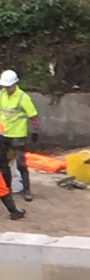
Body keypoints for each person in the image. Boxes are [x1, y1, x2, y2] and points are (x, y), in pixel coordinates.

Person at [0, 69, 39, 202]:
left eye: (8, 86)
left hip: (18, 135)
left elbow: (33, 116)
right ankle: (7, 189)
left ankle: (26, 190)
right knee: (3, 163)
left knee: (21, 163)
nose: (7, 88)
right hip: (4, 133)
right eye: (5, 86)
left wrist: (35, 131)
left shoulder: (23, 97)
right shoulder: (1, 94)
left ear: (15, 84)